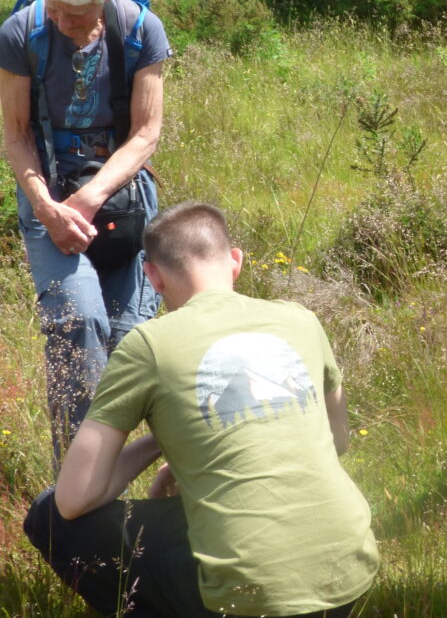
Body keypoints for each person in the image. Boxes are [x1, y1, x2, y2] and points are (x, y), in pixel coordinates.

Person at [23, 201, 379, 618]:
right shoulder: (302, 319)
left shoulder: (149, 345)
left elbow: (72, 500)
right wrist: (187, 438)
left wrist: (161, 441)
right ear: (235, 261)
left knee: (48, 517)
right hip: (350, 577)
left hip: (244, 599)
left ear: (152, 276)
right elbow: (338, 442)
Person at [0, 0, 171, 460]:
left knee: (128, 341)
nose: (59, 18)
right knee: (79, 326)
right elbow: (16, 133)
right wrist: (47, 207)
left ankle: (117, 472)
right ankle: (75, 498)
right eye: (53, 4)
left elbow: (146, 133)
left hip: (121, 200)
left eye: (74, 13)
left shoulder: (141, 29)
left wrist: (91, 197)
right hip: (48, 199)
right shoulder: (21, 33)